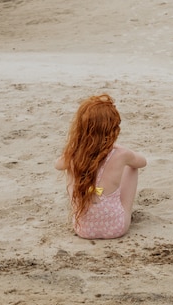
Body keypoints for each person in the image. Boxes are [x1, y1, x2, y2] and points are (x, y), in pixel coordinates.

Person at [55, 94, 147, 239]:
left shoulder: (75, 154)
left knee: (71, 167)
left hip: (84, 230)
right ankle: (126, 212)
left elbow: (58, 165)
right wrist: (117, 147)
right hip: (116, 228)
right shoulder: (121, 154)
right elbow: (142, 162)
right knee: (132, 167)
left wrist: (78, 146)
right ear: (112, 130)